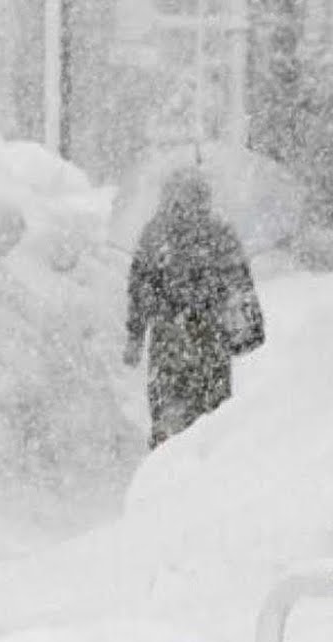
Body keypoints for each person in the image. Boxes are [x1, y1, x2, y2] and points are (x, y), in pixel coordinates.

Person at [124, 168, 264, 448]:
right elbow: (239, 285)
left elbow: (140, 290)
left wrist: (136, 336)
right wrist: (249, 328)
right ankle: (206, 468)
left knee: (169, 413)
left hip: (169, 339)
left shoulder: (155, 233)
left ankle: (167, 469)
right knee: (213, 415)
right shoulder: (220, 231)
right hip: (210, 337)